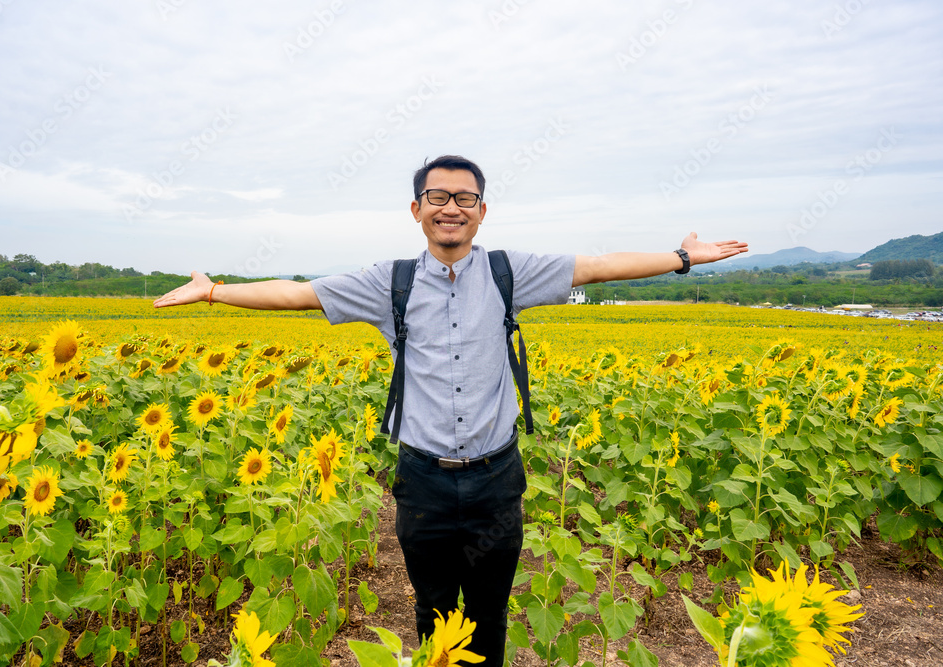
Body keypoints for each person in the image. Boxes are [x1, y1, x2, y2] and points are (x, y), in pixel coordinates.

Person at [153, 154, 748, 665]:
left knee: (489, 614)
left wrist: (682, 256)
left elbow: (598, 266)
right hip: (423, 478)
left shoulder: (509, 272)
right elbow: (299, 294)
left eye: (466, 197)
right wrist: (213, 290)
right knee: (431, 610)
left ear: (482, 211)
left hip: (495, 477)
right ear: (417, 210)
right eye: (437, 197)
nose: (451, 207)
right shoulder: (392, 282)